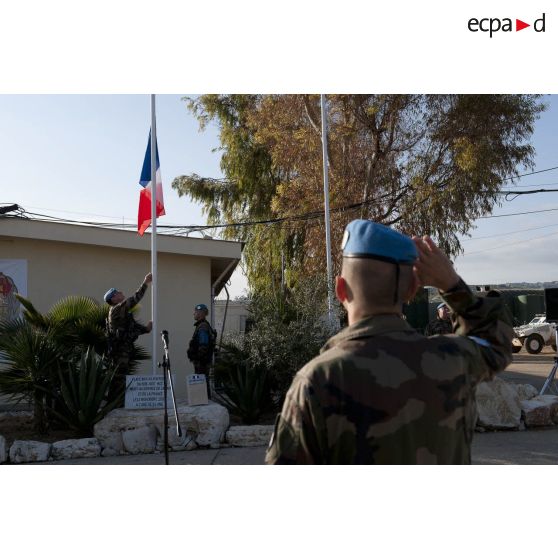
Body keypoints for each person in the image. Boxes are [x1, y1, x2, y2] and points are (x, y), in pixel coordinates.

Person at [265, 219, 514, 465]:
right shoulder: (454, 360)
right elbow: (497, 340)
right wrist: (450, 284)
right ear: (412, 290)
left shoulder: (317, 381)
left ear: (341, 289)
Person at [104, 273, 153, 404]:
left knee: (121, 378)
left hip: (124, 350)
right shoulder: (116, 309)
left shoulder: (121, 311)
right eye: (117, 293)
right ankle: (116, 405)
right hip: (120, 351)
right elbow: (135, 298)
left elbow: (131, 327)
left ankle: (118, 403)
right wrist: (145, 282)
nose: (121, 293)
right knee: (119, 379)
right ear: (113, 299)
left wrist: (146, 329)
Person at [187, 303, 216, 395]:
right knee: (203, 383)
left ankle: (205, 404)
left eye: (195, 312)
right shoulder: (203, 325)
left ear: (200, 313)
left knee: (202, 384)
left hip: (202, 362)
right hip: (203, 362)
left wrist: (197, 357)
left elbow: (204, 344)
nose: (193, 314)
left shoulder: (203, 326)